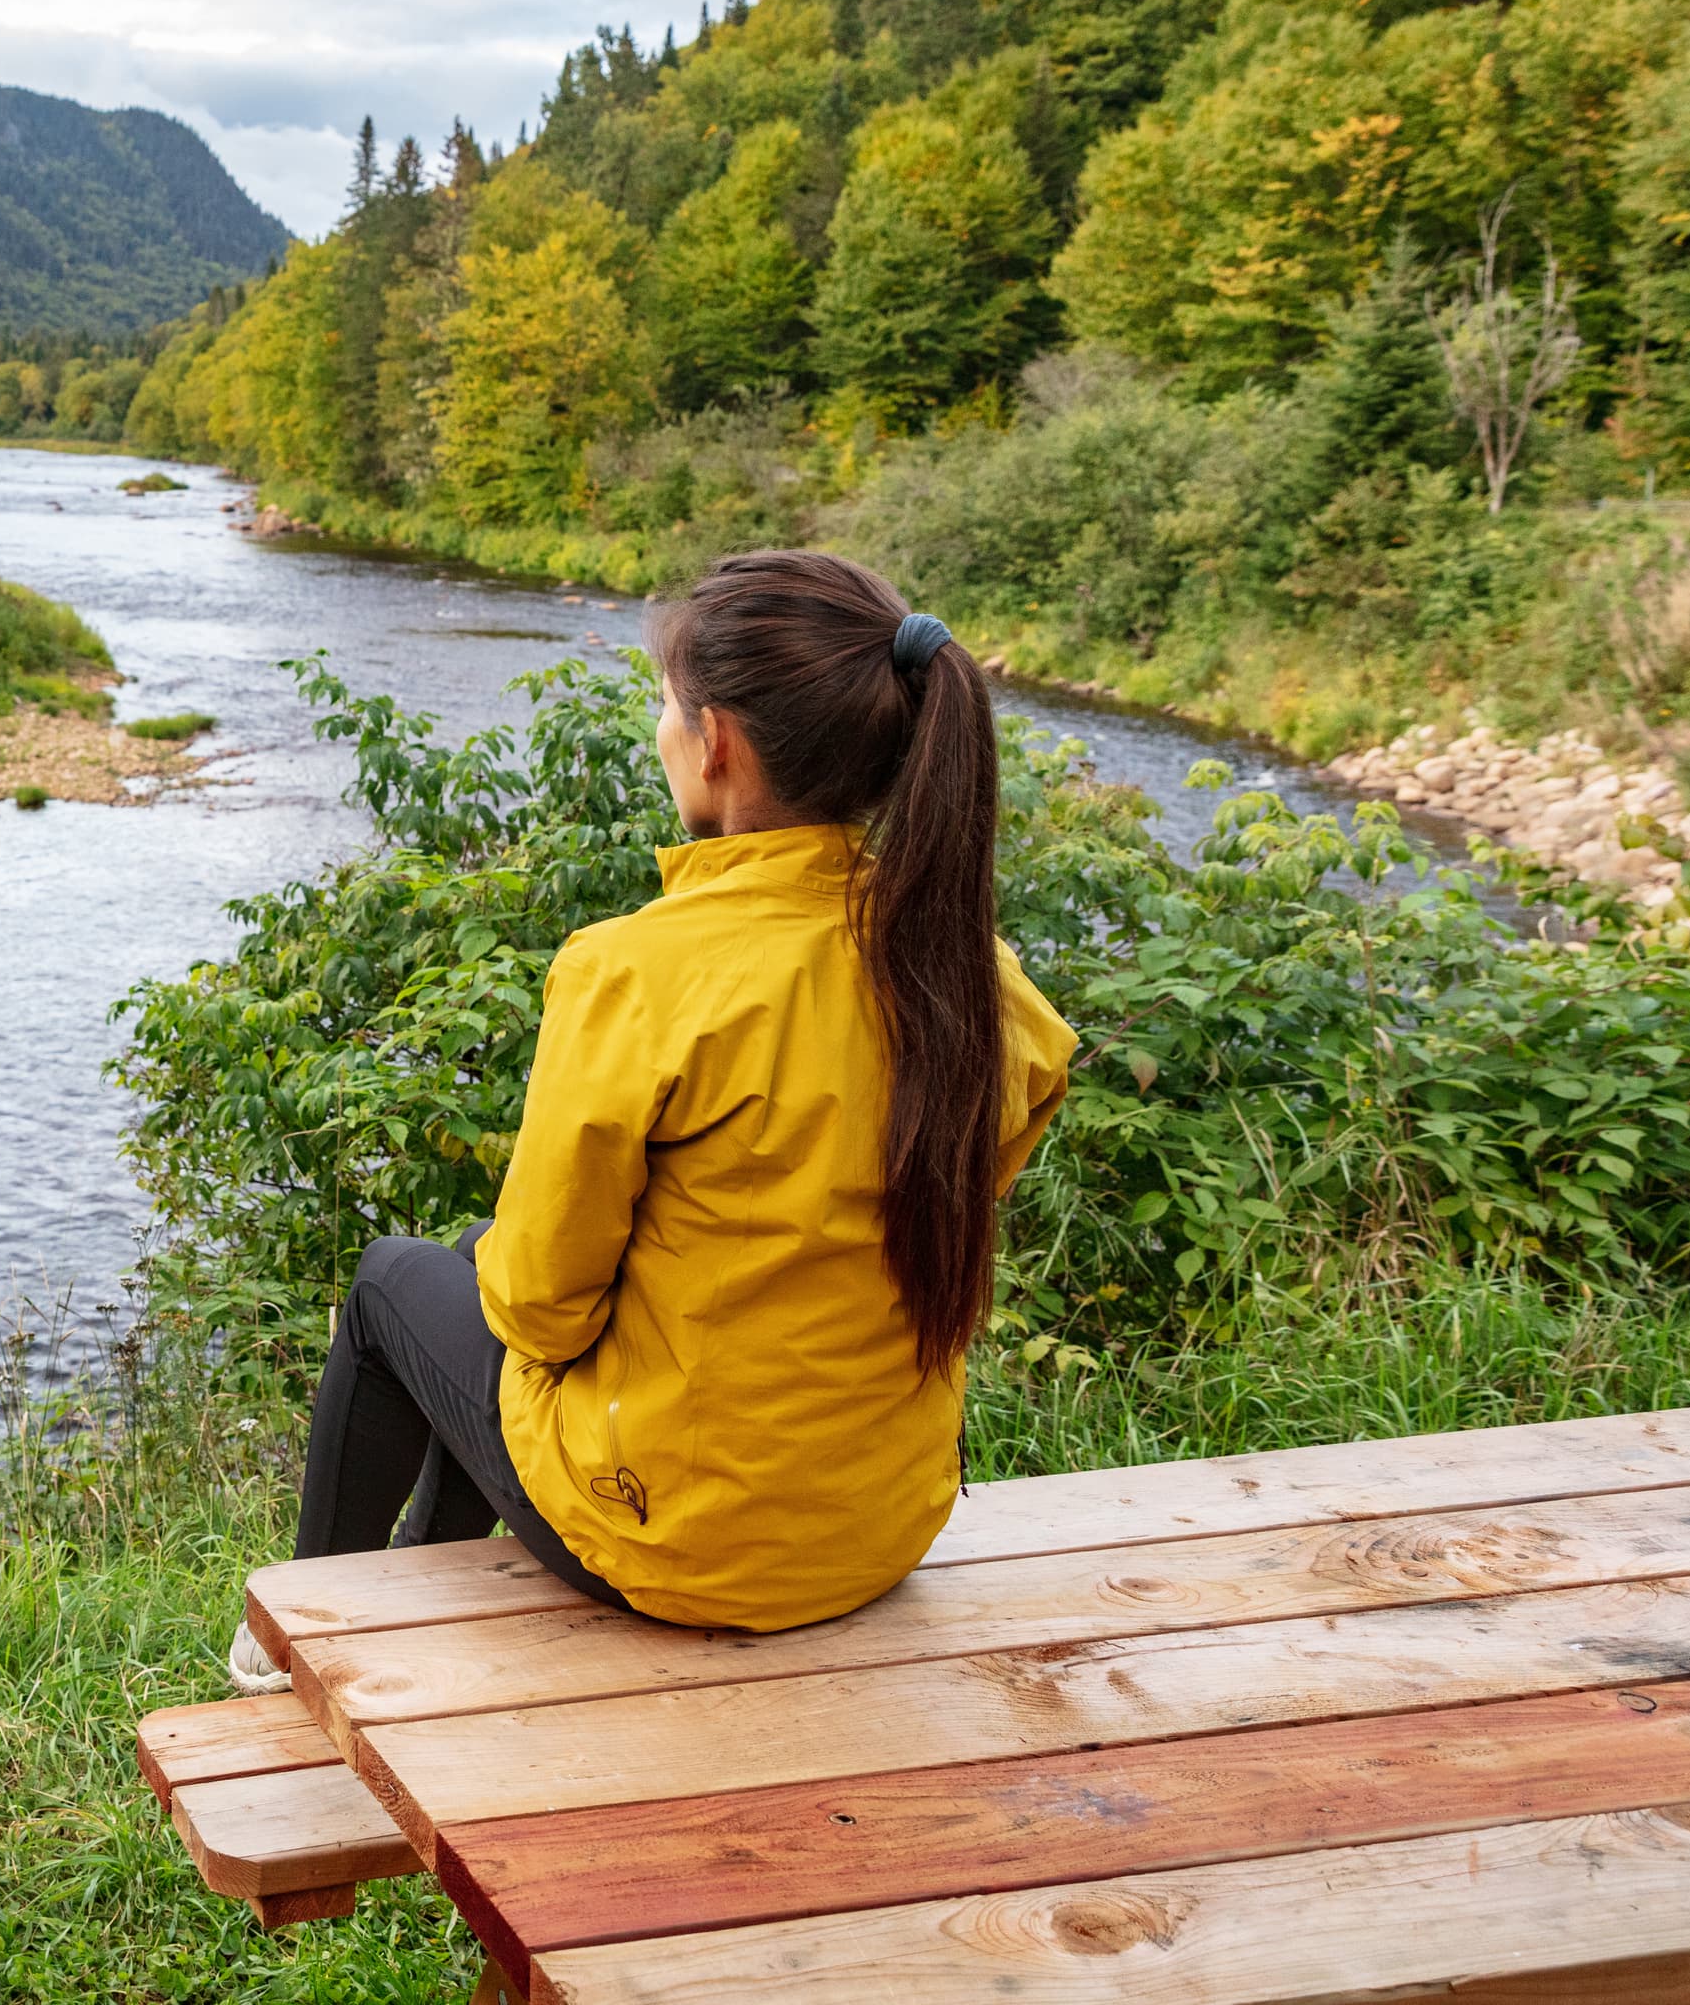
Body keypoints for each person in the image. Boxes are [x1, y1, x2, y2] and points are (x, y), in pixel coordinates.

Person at [233, 549, 1076, 1679]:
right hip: (877, 1528)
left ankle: (291, 1640)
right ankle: (418, 1587)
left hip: (676, 1543)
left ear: (715, 738)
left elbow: (539, 1312)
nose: (663, 725)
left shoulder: (639, 971)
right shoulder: (975, 973)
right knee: (476, 1262)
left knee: (396, 1282)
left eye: (668, 704)